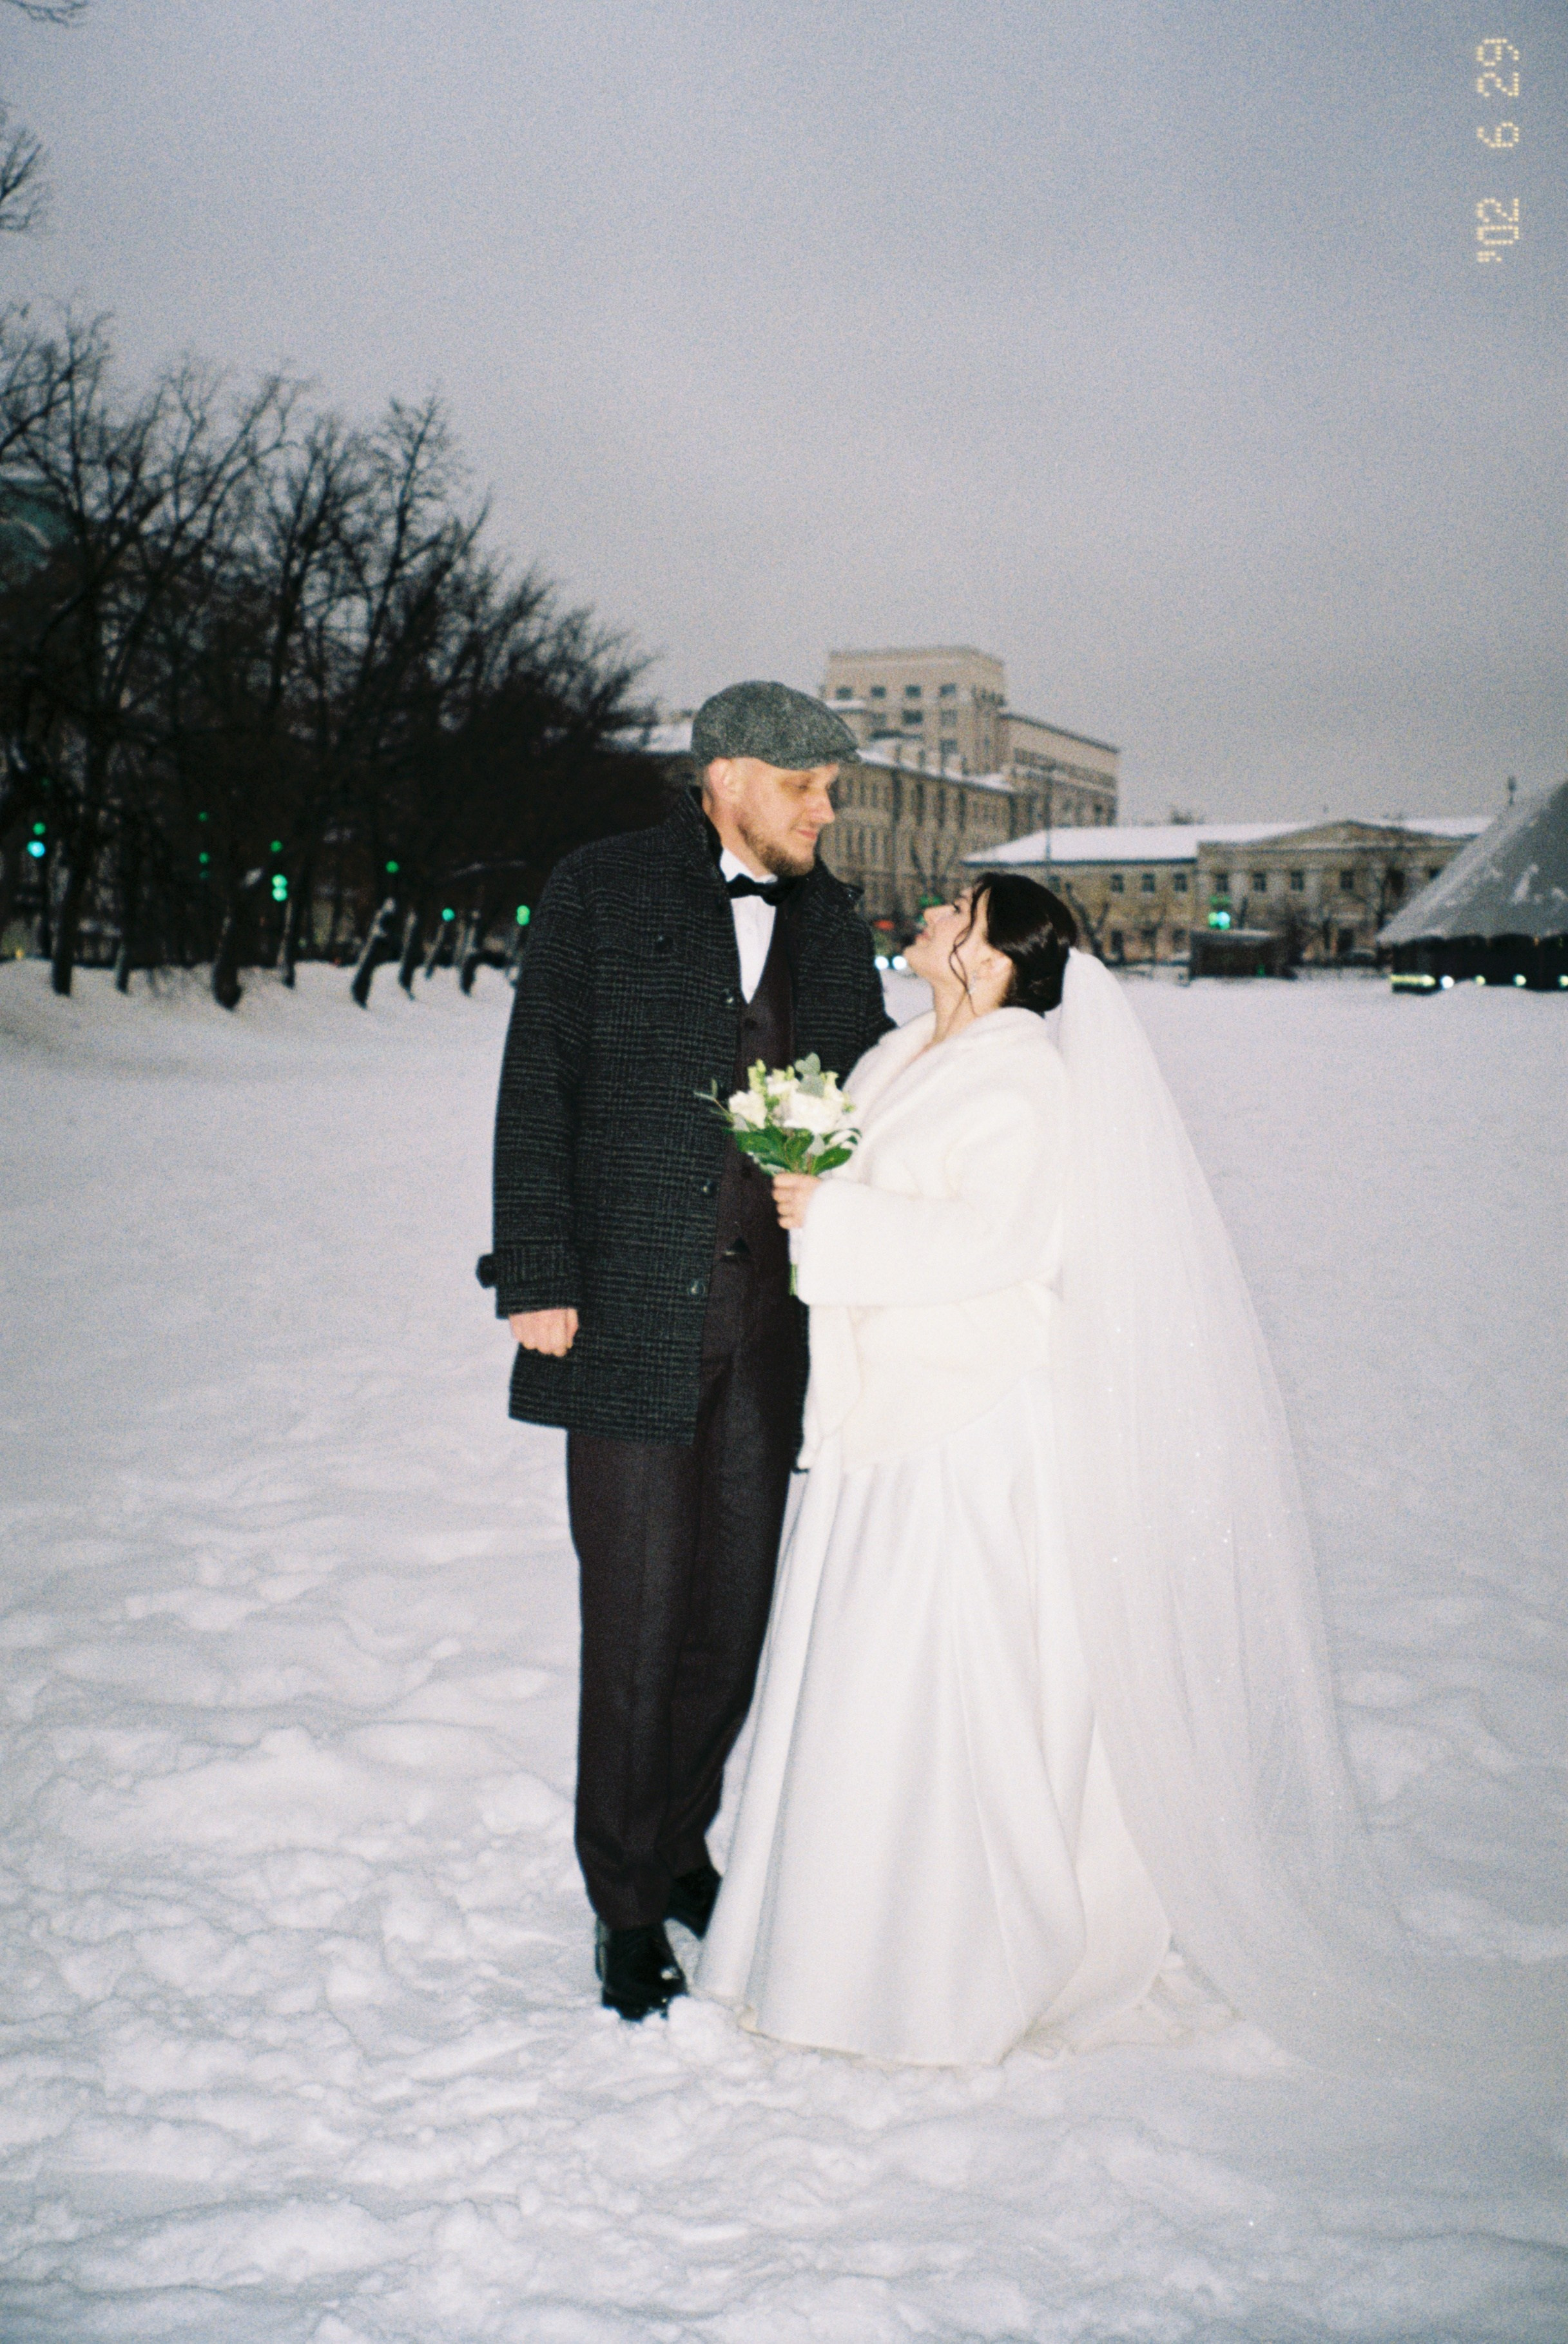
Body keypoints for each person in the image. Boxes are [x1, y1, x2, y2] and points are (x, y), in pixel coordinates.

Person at [697, 876, 1568, 2078]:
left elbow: (1001, 1239)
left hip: (962, 1415)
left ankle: (938, 1968)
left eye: (959, 910)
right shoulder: (903, 1052)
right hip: (880, 1411)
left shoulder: (1021, 1076)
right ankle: (835, 1942)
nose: (935, 917)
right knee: (864, 1679)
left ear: (993, 959)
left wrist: (833, 1220)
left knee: (945, 1684)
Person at [483, 680, 891, 2022]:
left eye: (831, 789)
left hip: (776, 1329)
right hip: (623, 1315)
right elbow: (538, 1075)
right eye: (801, 786)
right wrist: (537, 1273)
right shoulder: (598, 886)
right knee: (640, 1617)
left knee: (733, 1617)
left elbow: (867, 1085)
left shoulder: (826, 915)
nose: (824, 811)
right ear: (723, 776)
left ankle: (676, 1843)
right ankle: (620, 1902)